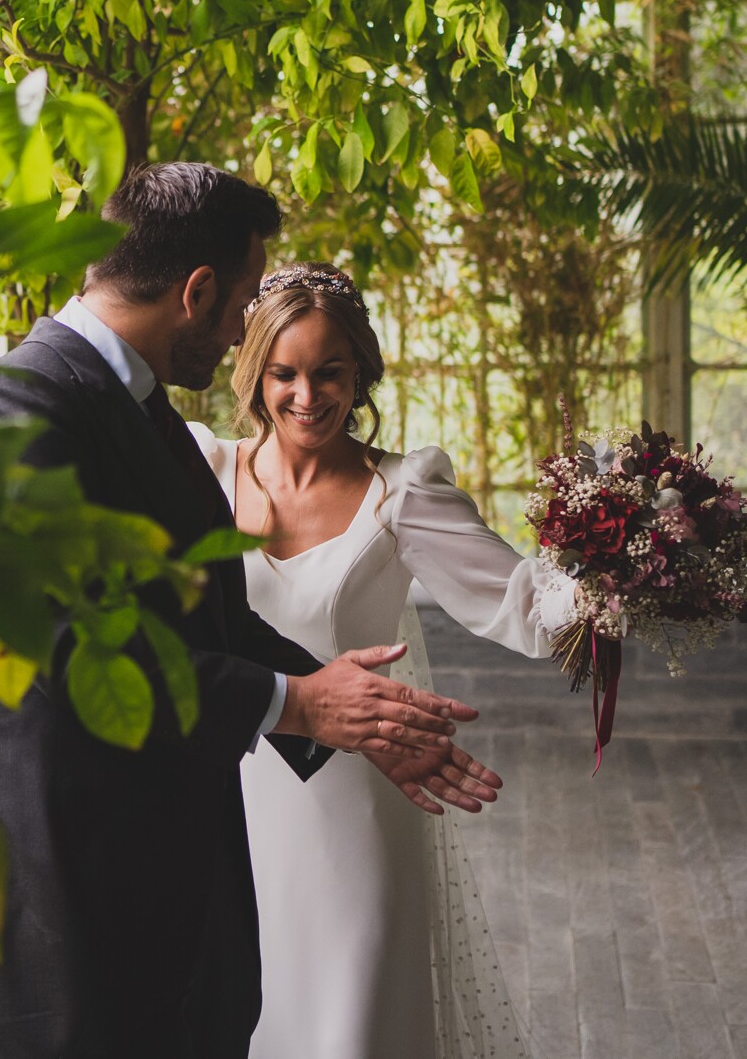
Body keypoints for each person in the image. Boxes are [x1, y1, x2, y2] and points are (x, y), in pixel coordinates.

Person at [0, 166, 503, 1059]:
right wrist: (298, 704)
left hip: (131, 881)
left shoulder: (134, 404)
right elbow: (59, 651)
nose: (238, 336)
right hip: (41, 892)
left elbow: (191, 610)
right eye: (239, 306)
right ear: (196, 290)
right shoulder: (18, 409)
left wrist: (351, 713)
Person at [189, 262, 577, 1059]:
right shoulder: (200, 473)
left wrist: (634, 568)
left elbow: (528, 607)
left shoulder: (401, 493)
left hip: (354, 809)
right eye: (285, 373)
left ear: (359, 370)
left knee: (349, 1030)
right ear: (254, 372)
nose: (307, 395)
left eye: (329, 371)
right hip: (221, 796)